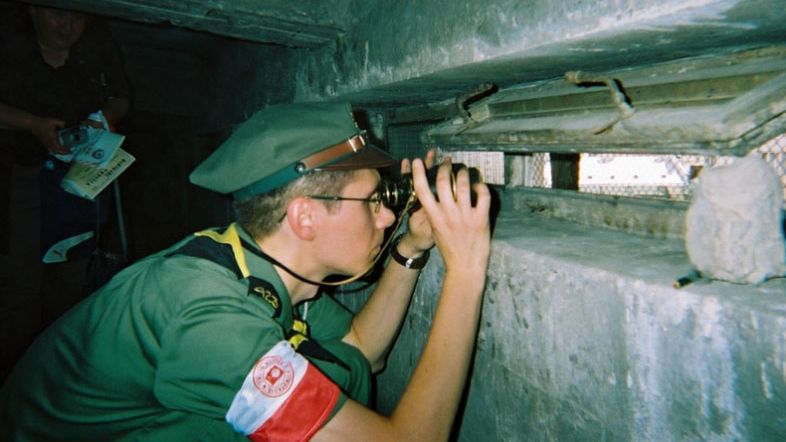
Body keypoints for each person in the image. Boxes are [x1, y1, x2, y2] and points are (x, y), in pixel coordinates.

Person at [0, 101, 491, 440]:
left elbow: (363, 350)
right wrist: (466, 267)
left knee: (338, 368)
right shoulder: (210, 319)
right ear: (304, 217)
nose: (385, 216)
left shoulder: (252, 259)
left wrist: (411, 246)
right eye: (372, 201)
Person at [0, 4, 132, 328]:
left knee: (72, 276)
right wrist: (32, 124)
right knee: (20, 280)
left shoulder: (96, 45)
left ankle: (60, 345)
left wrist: (105, 118)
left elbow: (120, 95)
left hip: (81, 178)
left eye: (77, 17)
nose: (67, 26)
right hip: (19, 175)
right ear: (33, 9)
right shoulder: (9, 41)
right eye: (58, 14)